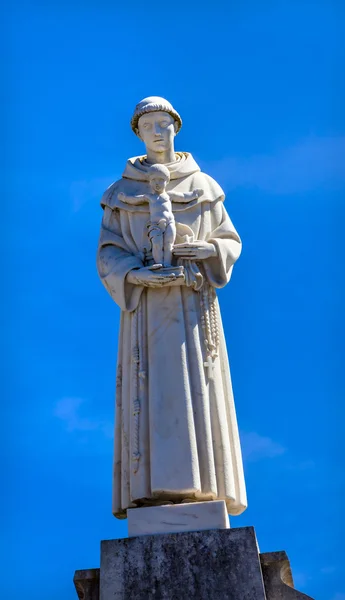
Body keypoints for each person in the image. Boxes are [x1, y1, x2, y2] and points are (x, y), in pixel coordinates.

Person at [97, 96, 247, 519]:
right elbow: (107, 252)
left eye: (165, 124)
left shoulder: (203, 186)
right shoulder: (120, 193)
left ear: (176, 128)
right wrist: (134, 275)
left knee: (198, 390)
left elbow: (229, 240)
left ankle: (204, 488)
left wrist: (208, 249)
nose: (158, 133)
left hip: (193, 305)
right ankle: (151, 492)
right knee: (150, 394)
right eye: (150, 126)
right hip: (144, 315)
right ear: (139, 133)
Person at [118, 163, 203, 266]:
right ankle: (159, 264)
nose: (157, 183)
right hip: (155, 225)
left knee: (169, 244)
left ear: (166, 181)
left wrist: (194, 194)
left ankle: (167, 265)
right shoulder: (149, 197)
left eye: (160, 180)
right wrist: (125, 198)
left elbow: (184, 197)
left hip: (169, 223)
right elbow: (135, 200)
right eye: (154, 180)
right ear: (150, 182)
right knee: (157, 244)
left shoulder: (169, 196)